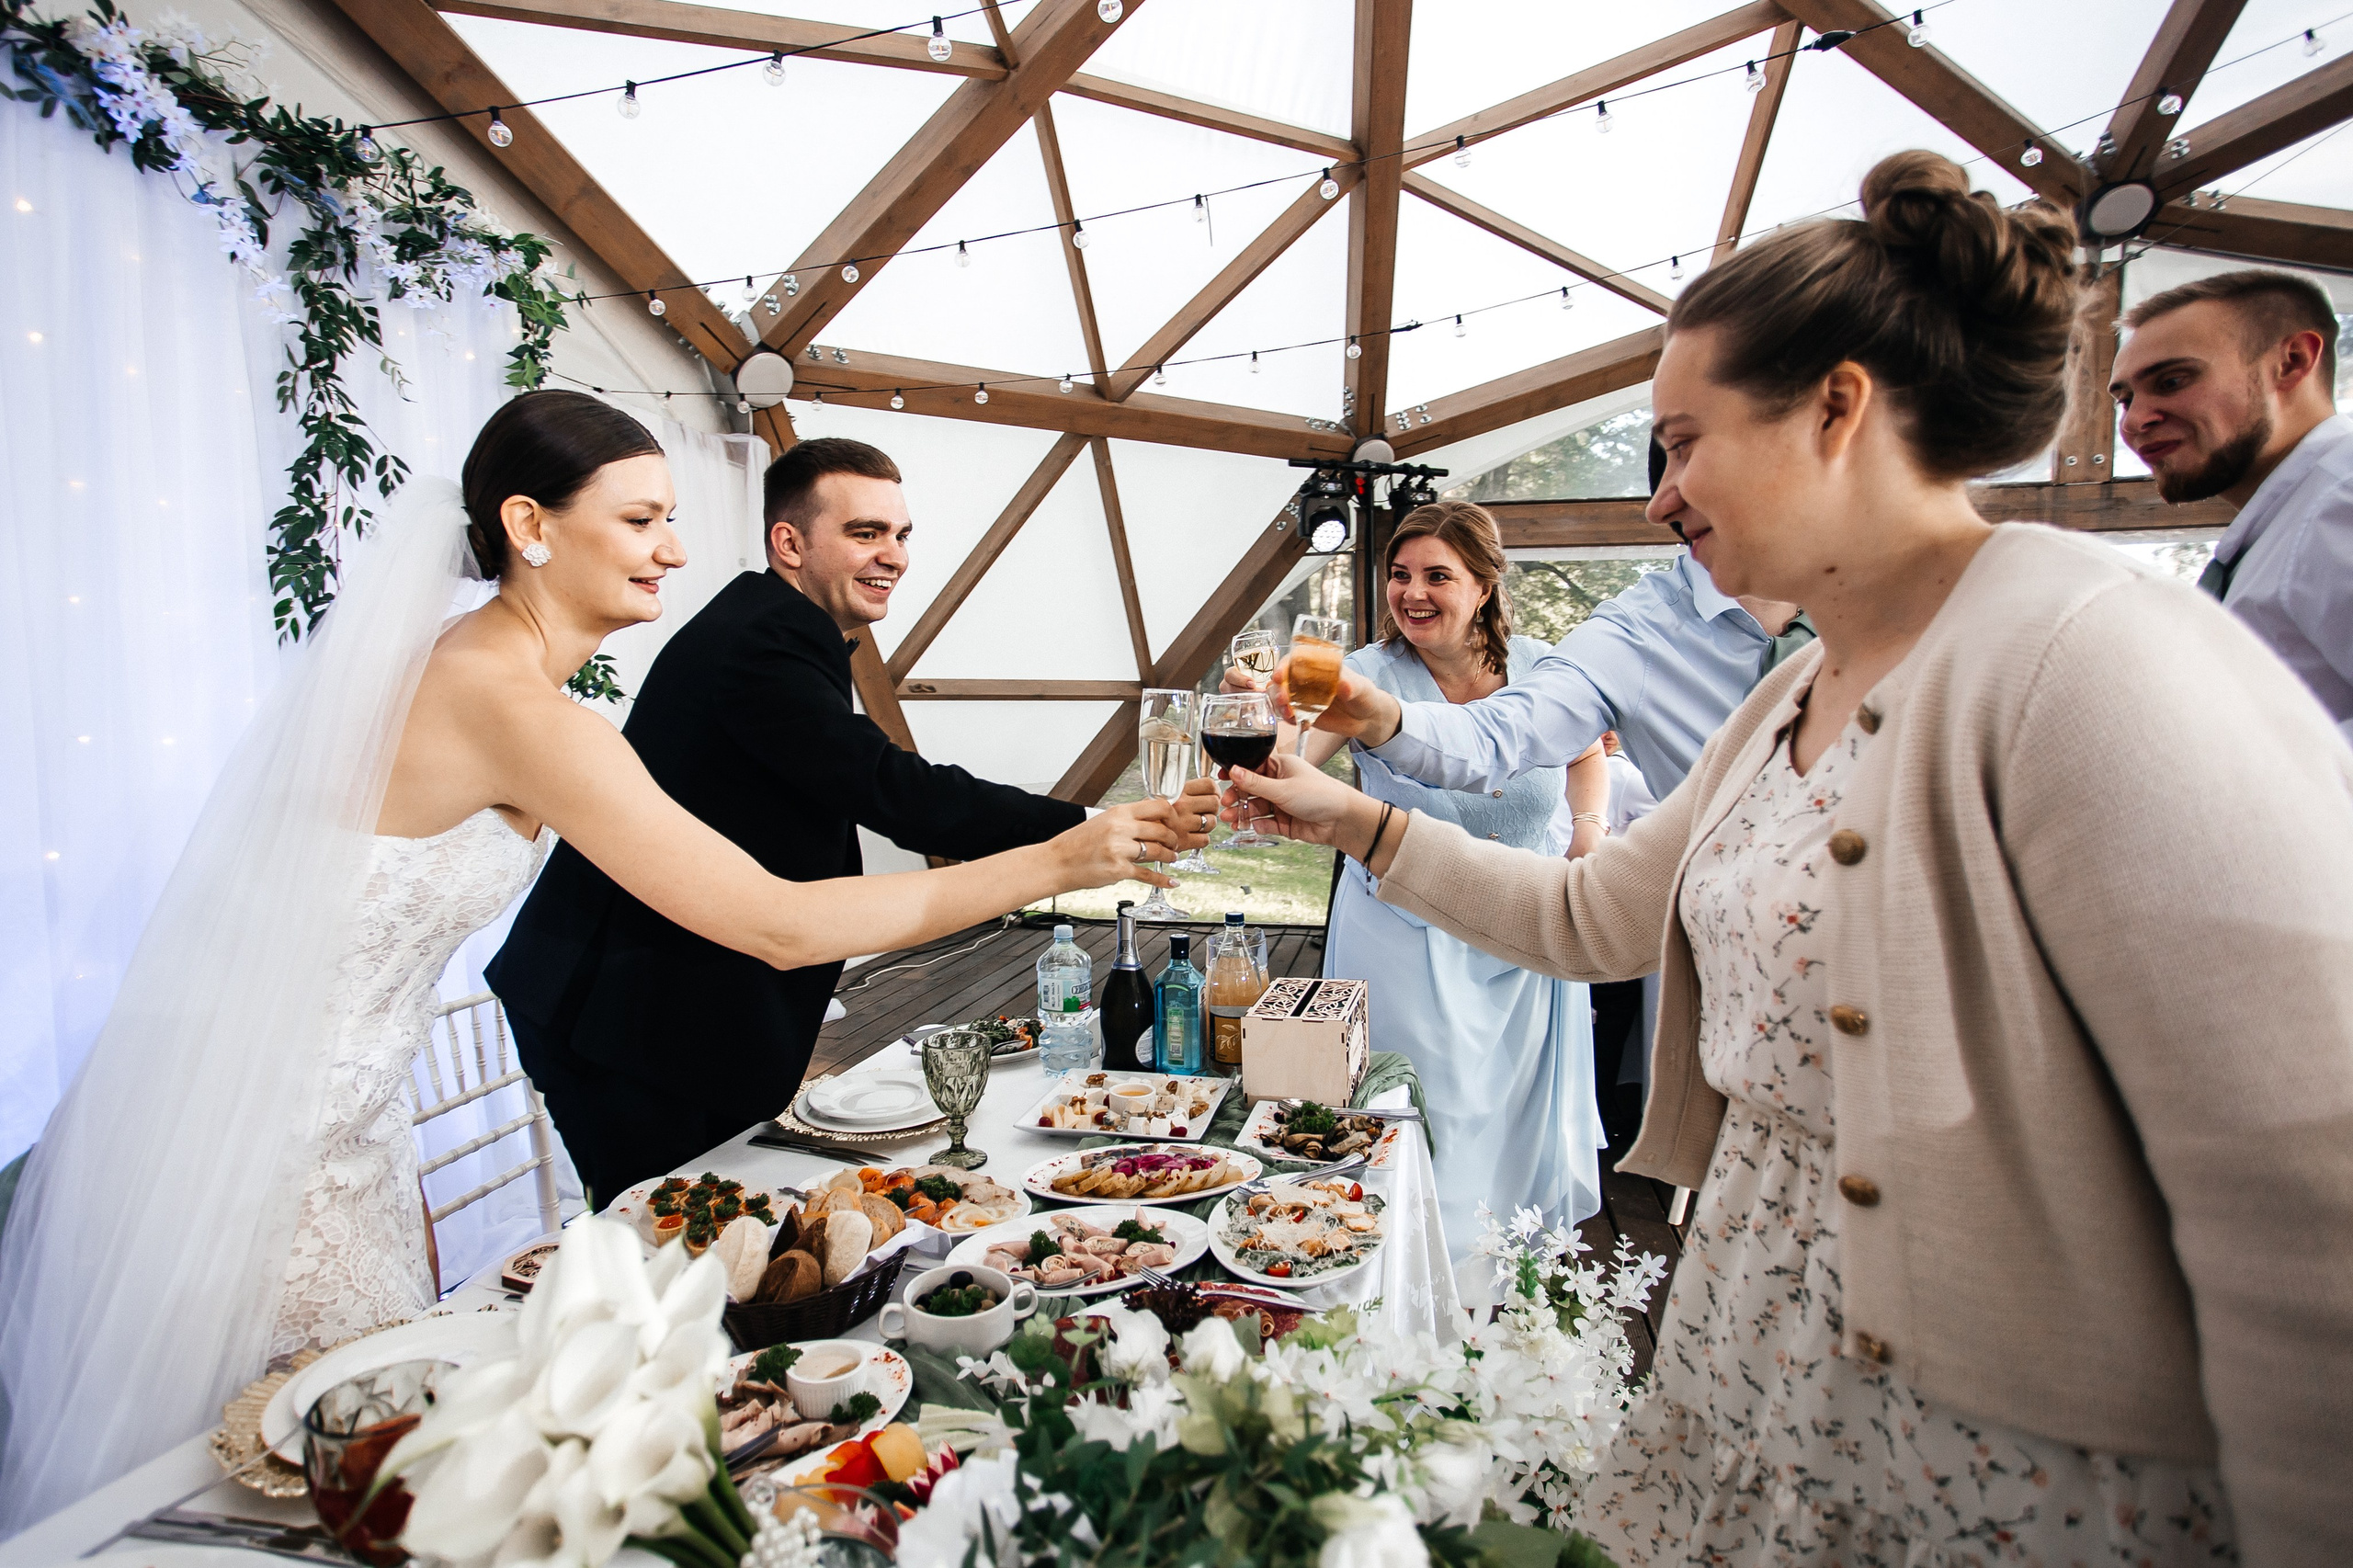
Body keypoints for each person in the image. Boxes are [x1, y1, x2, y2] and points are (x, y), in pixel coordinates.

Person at [1226, 152, 2353, 1564]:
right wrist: (1363, 821)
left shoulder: (2092, 651)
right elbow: (1593, 917)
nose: (1659, 497)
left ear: (1839, 407)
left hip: (2001, 1445)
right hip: (1757, 1351)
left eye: (1686, 442)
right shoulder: (1790, 693)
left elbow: (2310, 1207)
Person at [0, 392, 1207, 1530]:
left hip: (345, 1130)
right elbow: (779, 919)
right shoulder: (516, 708)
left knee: (343, 1466)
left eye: (673, 518)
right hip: (271, 1153)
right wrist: (1065, 856)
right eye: (640, 518)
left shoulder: (486, 672)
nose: (675, 549)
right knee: (286, 1477)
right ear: (530, 526)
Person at [489, 437, 1108, 1205]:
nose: (894, 555)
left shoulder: (774, 626)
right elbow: (894, 792)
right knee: (676, 1245)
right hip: (630, 1013)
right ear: (790, 542)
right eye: (865, 532)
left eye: (901, 534)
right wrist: (1082, 828)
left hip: (674, 998)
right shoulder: (762, 640)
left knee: (710, 1240)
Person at [1267, 502, 1608, 1264]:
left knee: (1517, 1124)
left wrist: (1589, 830)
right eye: (1399, 574)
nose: (1412, 592)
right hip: (1404, 938)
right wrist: (1270, 735)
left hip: (1525, 936)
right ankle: (1409, 1280)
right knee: (1428, 1117)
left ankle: (1505, 1281)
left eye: (1436, 576)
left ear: (1484, 587)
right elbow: (1301, 748)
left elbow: (1586, 753)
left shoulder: (1542, 669)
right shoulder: (1363, 676)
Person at [2111, 267, 2350, 740]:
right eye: (2124, 399)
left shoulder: (2340, 502)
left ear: (2292, 361)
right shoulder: (2289, 522)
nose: (2136, 420)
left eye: (2173, 380)